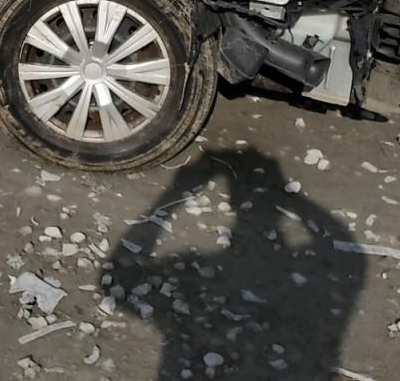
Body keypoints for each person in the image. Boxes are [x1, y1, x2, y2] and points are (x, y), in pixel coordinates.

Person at [102, 147, 367, 378]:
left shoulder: (203, 271)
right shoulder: (310, 275)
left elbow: (116, 279)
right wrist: (289, 198)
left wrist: (177, 192)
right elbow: (344, 246)